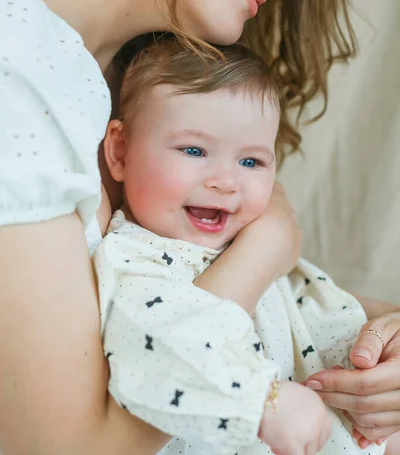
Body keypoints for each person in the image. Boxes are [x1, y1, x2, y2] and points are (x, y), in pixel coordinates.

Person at [0, 0, 398, 453]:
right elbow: (71, 445)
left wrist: (379, 338)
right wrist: (264, 250)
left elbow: (161, 286)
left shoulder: (134, 83)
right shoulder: (15, 65)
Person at [94, 38, 384, 455]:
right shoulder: (134, 258)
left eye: (251, 162)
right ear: (120, 151)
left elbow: (314, 308)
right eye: (193, 150)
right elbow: (153, 338)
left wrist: (371, 374)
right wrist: (263, 400)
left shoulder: (246, 238)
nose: (225, 181)